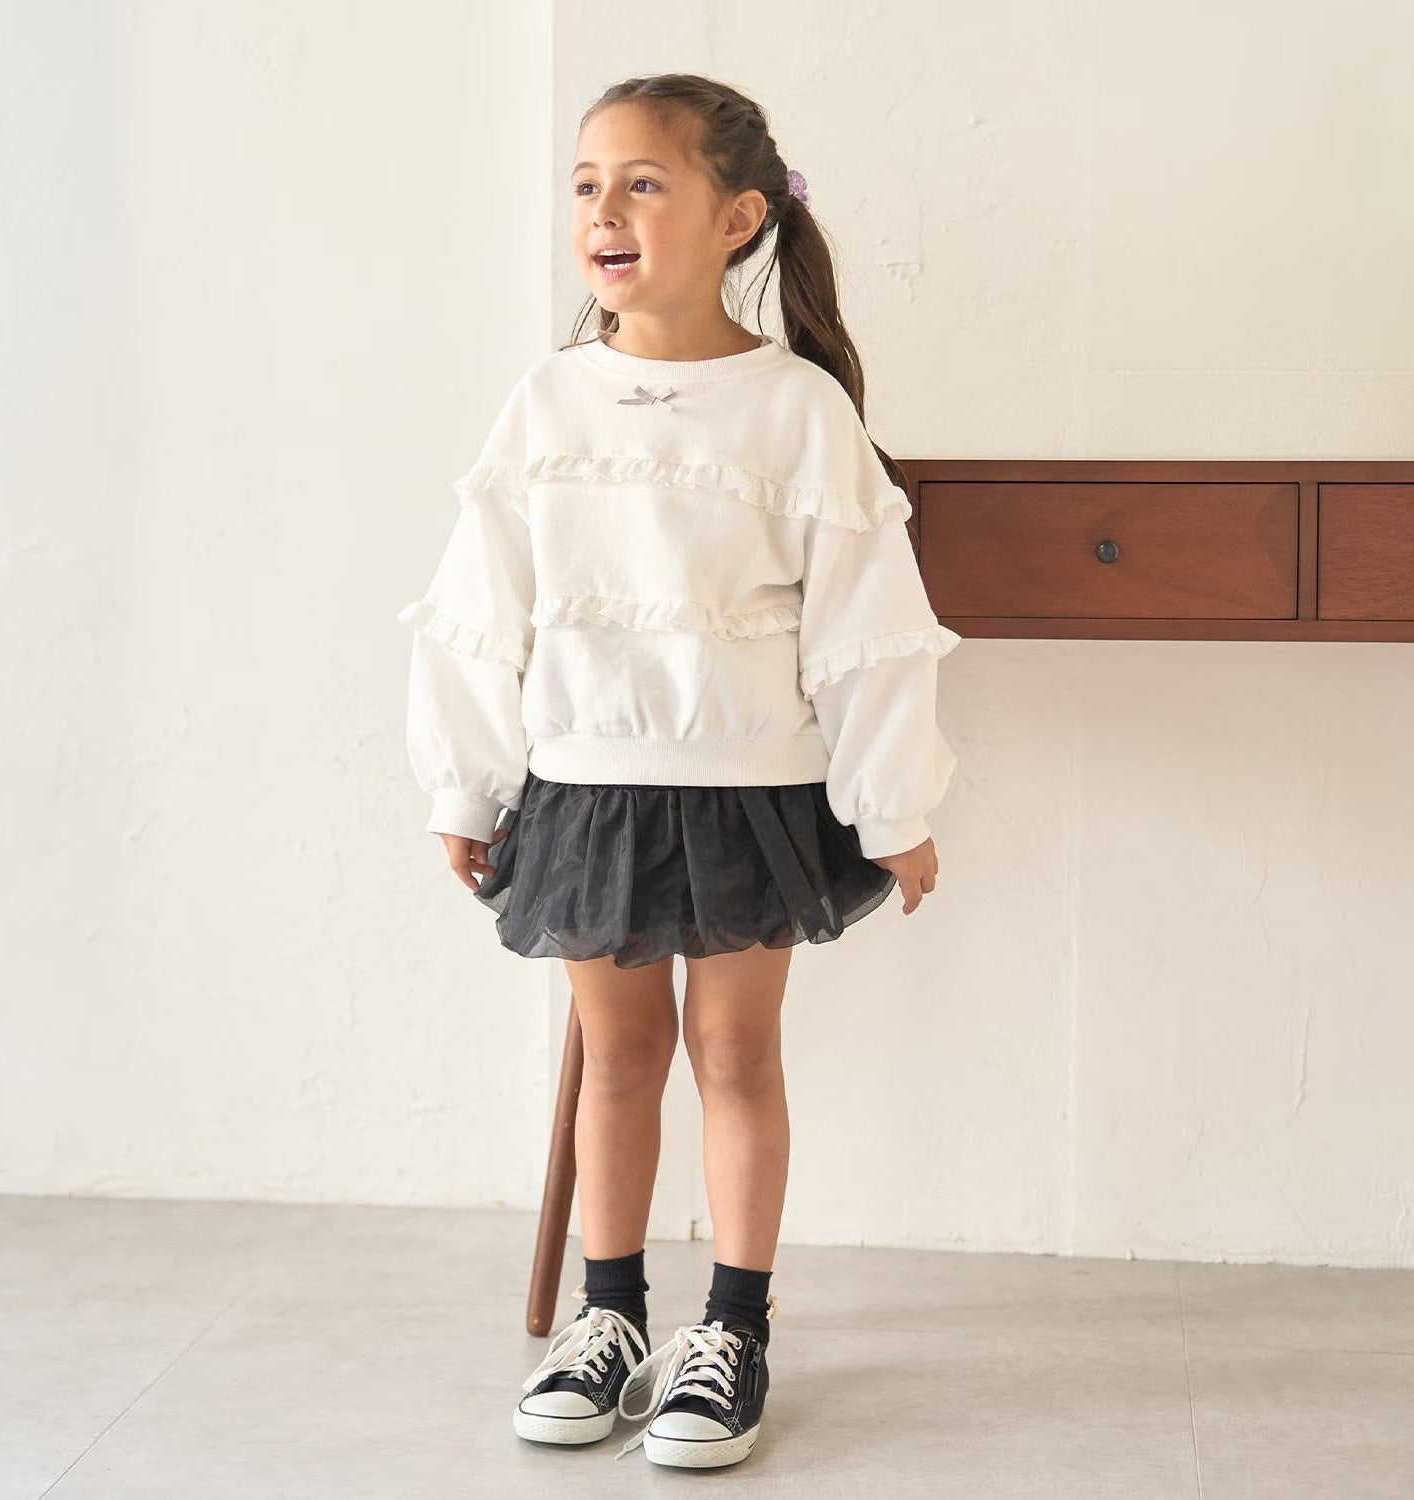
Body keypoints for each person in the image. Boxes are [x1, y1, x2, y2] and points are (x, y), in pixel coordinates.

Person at [396, 72, 962, 1470]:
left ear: (739, 218)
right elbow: (479, 607)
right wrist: (465, 786)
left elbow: (868, 627)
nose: (606, 210)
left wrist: (893, 806)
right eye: (587, 184)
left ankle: (735, 1330)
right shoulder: (545, 404)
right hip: (584, 785)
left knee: (734, 1053)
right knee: (619, 1056)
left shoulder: (798, 410)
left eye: (644, 182)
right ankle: (607, 1321)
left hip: (748, 791)